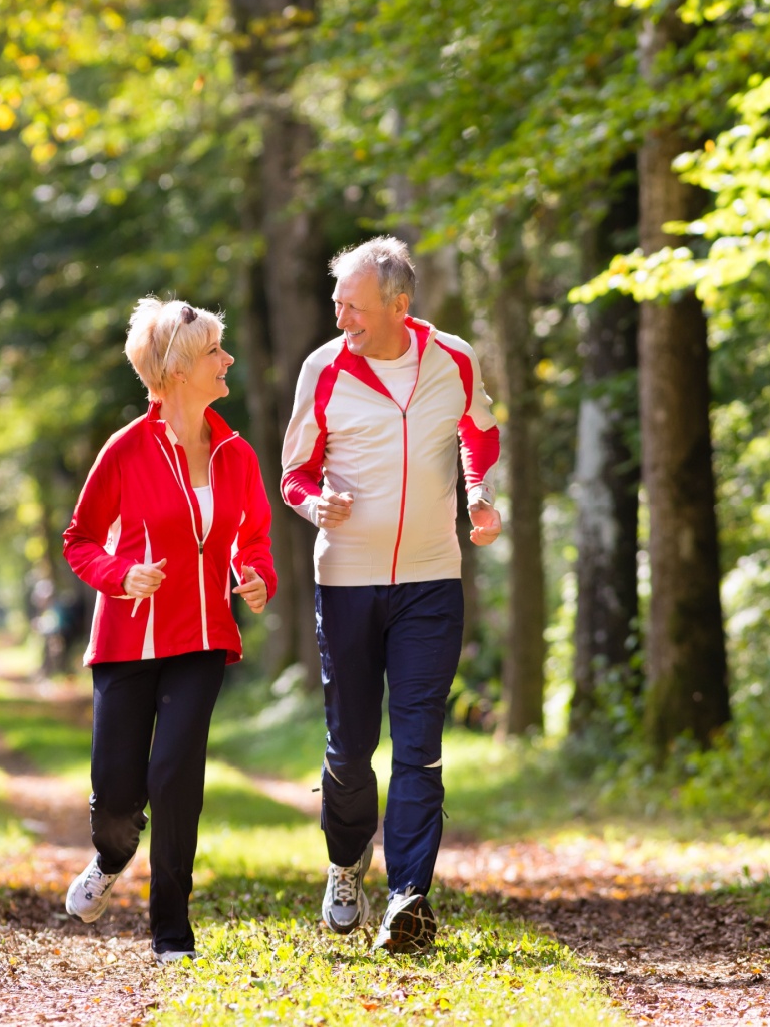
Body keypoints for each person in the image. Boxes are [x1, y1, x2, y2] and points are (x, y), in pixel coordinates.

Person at [281, 236, 502, 954]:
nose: (341, 315)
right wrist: (317, 505)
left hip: (432, 580)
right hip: (346, 580)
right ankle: (347, 865)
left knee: (420, 745)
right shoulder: (323, 369)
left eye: (354, 305)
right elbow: (294, 475)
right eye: (337, 302)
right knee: (350, 750)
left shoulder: (453, 358)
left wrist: (480, 492)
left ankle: (409, 896)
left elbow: (480, 431)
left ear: (398, 306)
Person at [62, 298, 277, 964]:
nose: (228, 360)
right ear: (179, 369)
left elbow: (254, 538)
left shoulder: (235, 453)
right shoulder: (125, 450)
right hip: (127, 643)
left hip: (204, 637)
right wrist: (120, 575)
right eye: (215, 351)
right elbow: (80, 540)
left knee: (175, 776)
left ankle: (171, 935)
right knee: (119, 804)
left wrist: (255, 576)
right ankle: (109, 857)